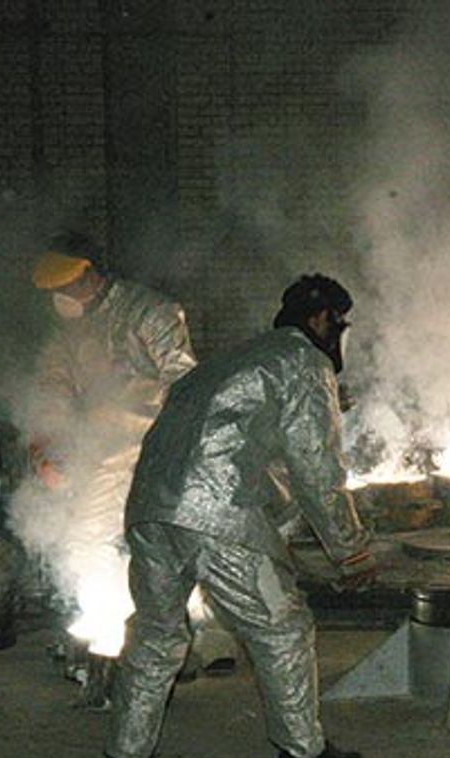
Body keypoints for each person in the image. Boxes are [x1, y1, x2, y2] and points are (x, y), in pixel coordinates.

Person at [106, 274, 378, 758]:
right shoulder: (304, 361)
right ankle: (302, 751)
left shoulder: (236, 361)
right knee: (283, 629)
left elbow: (234, 446)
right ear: (322, 320)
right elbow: (316, 466)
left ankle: (126, 752)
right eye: (339, 325)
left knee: (155, 638)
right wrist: (350, 549)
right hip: (214, 511)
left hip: (149, 509)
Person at [19, 231, 203, 678]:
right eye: (54, 292)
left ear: (90, 273)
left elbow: (187, 385)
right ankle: (103, 637)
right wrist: (45, 443)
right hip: (100, 453)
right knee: (86, 540)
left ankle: (174, 646)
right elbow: (51, 384)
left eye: (65, 287)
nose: (60, 297)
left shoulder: (153, 312)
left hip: (157, 450)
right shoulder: (69, 325)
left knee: (162, 550)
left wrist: (185, 454)